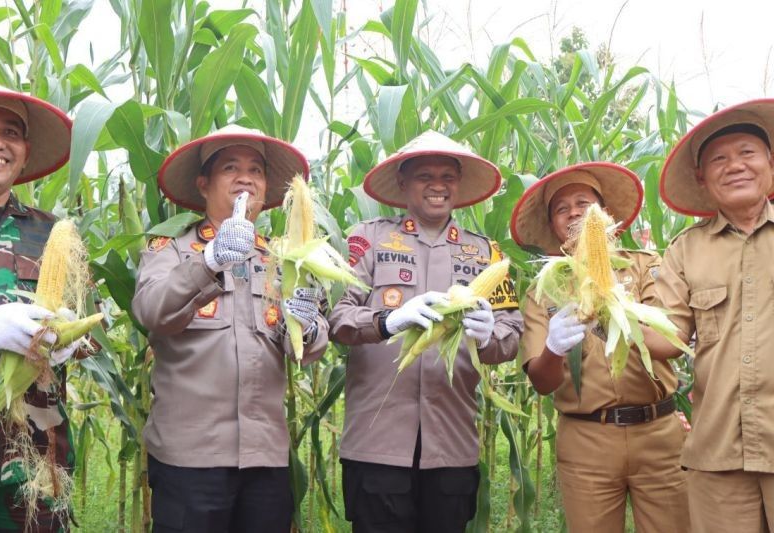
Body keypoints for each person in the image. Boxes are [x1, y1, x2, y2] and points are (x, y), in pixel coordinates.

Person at [132, 125, 329, 532]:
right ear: (203, 184)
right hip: (190, 459)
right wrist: (209, 262)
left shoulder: (284, 259)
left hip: (265, 459)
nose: (246, 178)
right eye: (230, 167)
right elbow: (151, 312)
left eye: (256, 170)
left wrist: (308, 328)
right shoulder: (170, 250)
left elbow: (308, 348)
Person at [328, 130, 523, 533]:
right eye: (424, 176)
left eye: (448, 176)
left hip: (450, 445)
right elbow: (337, 318)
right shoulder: (367, 241)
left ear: (459, 184)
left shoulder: (488, 254)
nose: (438, 185)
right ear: (402, 183)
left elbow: (511, 333)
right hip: (377, 443)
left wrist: (490, 335)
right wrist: (386, 321)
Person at [510, 162, 690, 533]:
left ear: (606, 216)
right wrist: (554, 348)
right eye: (561, 209)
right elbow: (542, 383)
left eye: (584, 203)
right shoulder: (543, 290)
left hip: (658, 433)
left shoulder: (645, 266)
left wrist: (613, 314)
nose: (574, 213)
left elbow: (670, 342)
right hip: (586, 438)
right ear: (553, 225)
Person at [649, 99, 774, 532]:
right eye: (719, 159)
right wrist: (611, 313)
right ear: (703, 181)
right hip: (719, 453)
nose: (734, 165)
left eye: (747, 152)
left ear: (771, 165)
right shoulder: (684, 251)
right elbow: (666, 341)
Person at [0, 87, 79, 531]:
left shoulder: (52, 233)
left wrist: (69, 343)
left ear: (25, 151)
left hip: (33, 455)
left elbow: (82, 325)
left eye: (10, 132)